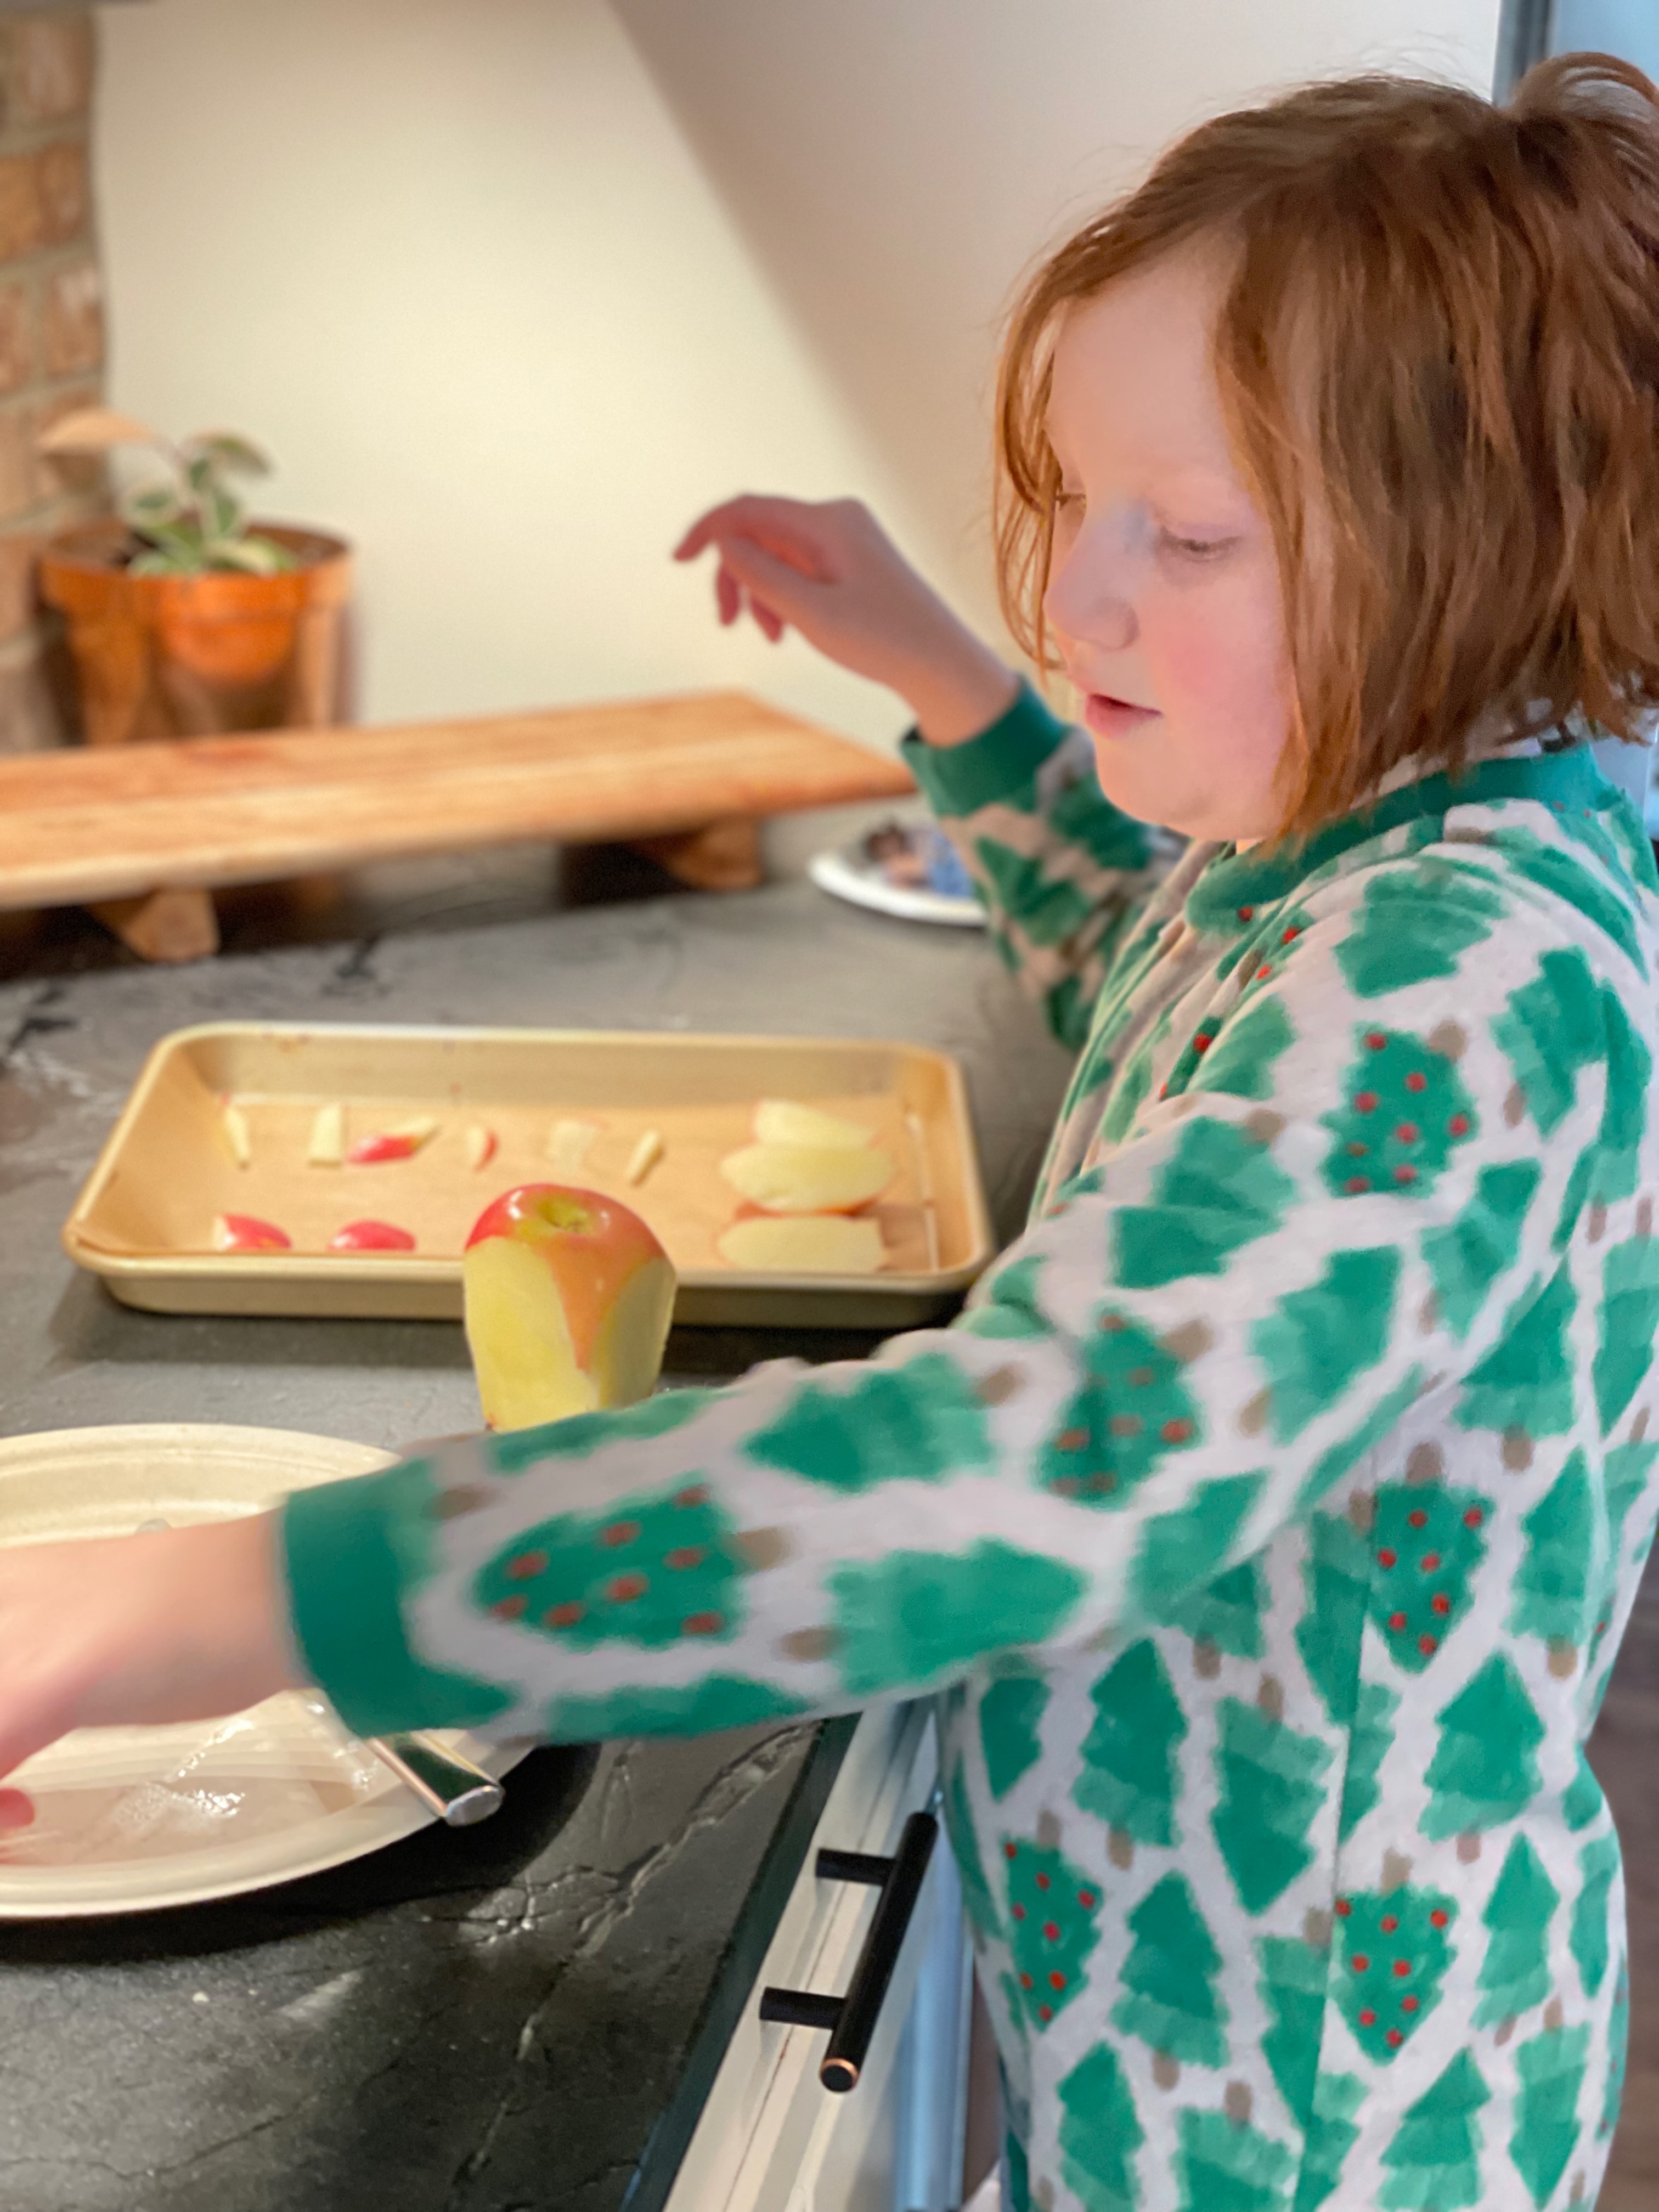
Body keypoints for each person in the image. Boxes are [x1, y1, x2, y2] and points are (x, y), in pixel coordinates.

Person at [4, 50, 1659, 2211]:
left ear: (1481, 554)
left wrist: (232, 1598)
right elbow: (1161, 984)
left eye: (1188, 535)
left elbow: (1027, 1464)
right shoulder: (1369, 836)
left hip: (1325, 2104)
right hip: (1196, 2024)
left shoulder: (1470, 973)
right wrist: (951, 686)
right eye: (1074, 501)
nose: (1081, 602)